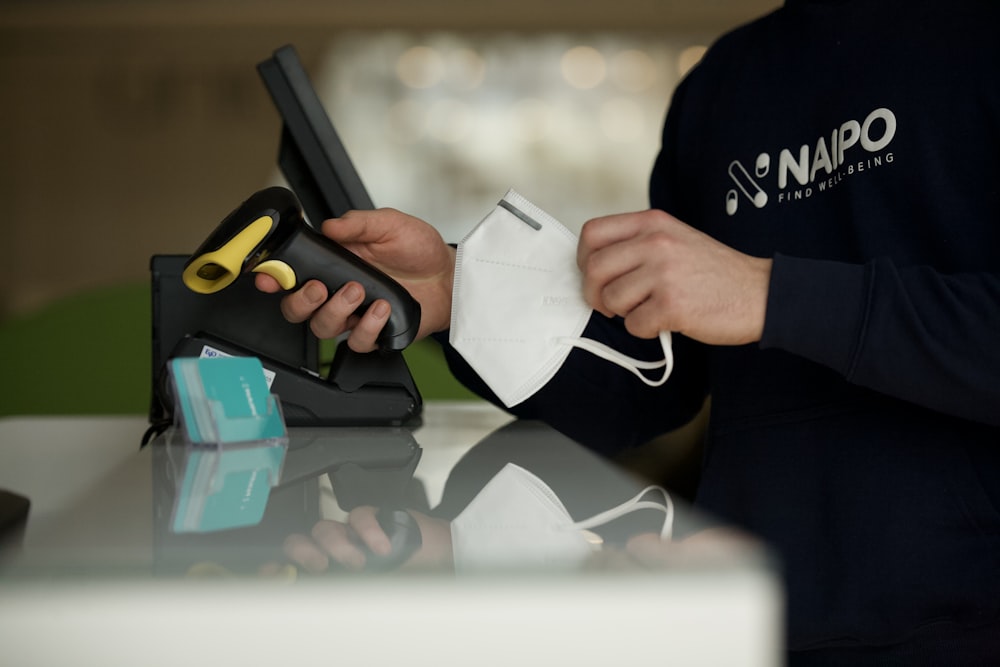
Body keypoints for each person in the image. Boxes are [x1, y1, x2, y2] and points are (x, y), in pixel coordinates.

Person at [257, 0, 1000, 662]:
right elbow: (656, 389)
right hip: (744, 620)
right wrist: (459, 293)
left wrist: (771, 291)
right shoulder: (726, 80)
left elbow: (757, 303)